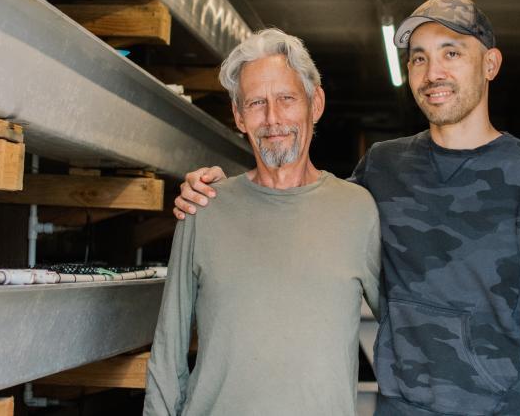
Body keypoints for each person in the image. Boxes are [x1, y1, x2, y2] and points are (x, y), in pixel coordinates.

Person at [174, 0, 520, 416]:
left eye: (451, 53)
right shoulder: (383, 167)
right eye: (419, 58)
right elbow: (303, 208)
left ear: (490, 64)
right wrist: (219, 192)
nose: (433, 73)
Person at [144, 28, 381, 416]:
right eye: (256, 103)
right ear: (239, 116)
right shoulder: (204, 208)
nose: (273, 118)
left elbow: (404, 327)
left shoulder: (358, 211)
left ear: (315, 104)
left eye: (287, 98)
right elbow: (169, 351)